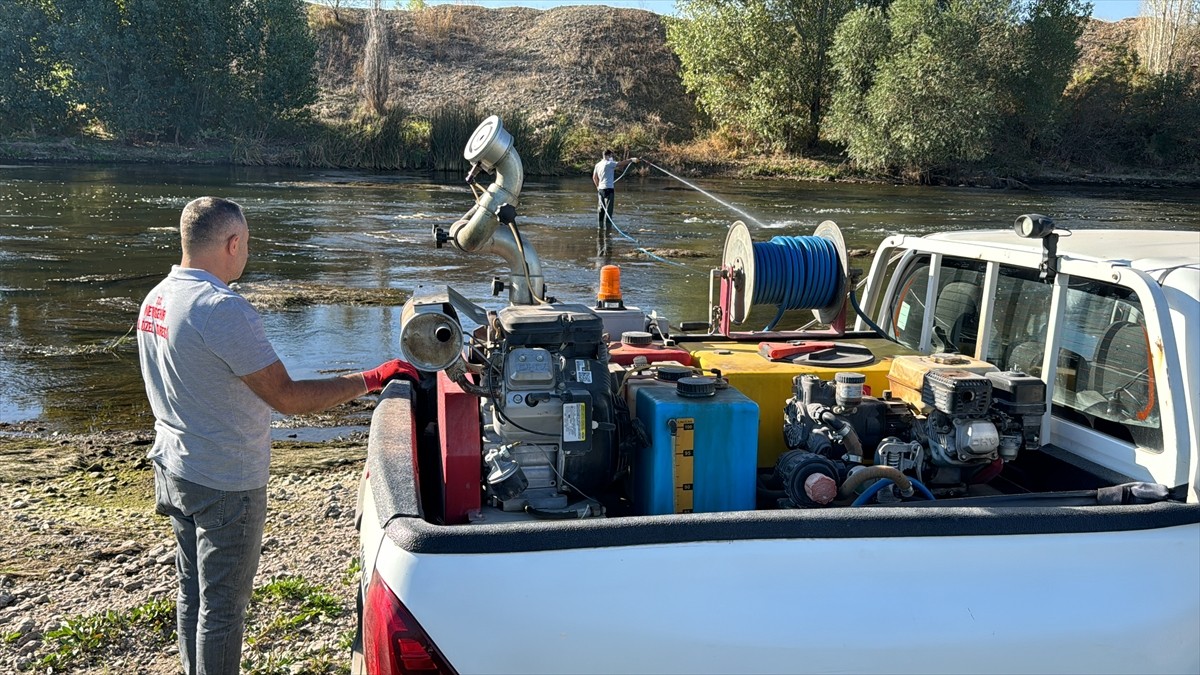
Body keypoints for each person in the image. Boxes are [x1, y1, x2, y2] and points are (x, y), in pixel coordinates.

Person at [137, 196, 413, 675]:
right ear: (232, 243)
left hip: (174, 466)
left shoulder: (158, 298)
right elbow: (286, 396)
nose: (247, 253)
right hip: (226, 480)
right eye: (247, 243)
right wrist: (371, 378)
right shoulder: (221, 308)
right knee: (222, 609)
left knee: (192, 591)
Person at [592, 149, 640, 232]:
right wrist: (631, 160)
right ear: (609, 155)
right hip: (609, 189)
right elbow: (621, 164)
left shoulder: (598, 165)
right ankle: (608, 229)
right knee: (609, 210)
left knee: (601, 209)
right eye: (611, 156)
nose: (612, 157)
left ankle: (600, 228)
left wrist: (598, 187)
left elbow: (594, 177)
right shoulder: (609, 163)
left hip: (601, 190)